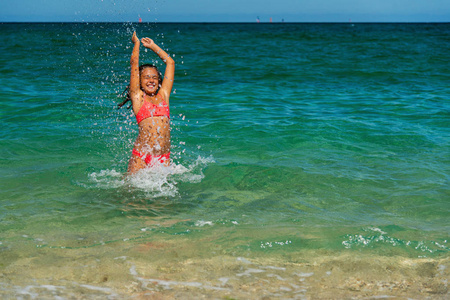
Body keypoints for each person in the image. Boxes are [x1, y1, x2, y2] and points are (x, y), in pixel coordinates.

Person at [118, 32, 175, 174]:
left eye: (155, 77)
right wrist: (137, 44)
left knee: (163, 196)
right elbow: (134, 64)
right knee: (130, 193)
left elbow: (170, 63)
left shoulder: (164, 95)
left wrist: (153, 46)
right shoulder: (138, 97)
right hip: (141, 158)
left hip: (163, 158)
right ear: (139, 81)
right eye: (147, 77)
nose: (151, 80)